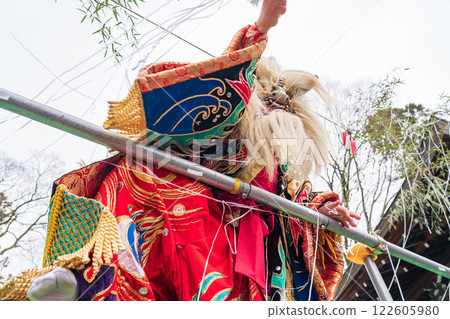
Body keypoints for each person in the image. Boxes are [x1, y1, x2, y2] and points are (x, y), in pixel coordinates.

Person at [0, 0, 359, 301]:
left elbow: (297, 195)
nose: (274, 114)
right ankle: (88, 277)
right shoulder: (230, 129)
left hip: (250, 247)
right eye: (266, 106)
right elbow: (220, 98)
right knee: (141, 171)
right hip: (205, 212)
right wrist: (260, 28)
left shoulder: (285, 166)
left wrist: (325, 208)